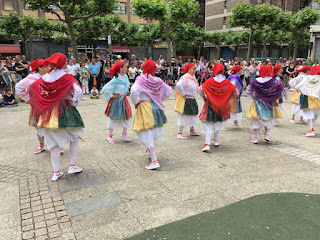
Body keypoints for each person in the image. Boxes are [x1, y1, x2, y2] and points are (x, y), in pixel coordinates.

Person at [24, 53, 84, 181]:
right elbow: (78, 91)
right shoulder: (68, 77)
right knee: (74, 138)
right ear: (62, 63)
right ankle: (72, 166)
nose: (67, 63)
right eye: (66, 61)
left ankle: (56, 173)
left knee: (53, 144)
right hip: (65, 111)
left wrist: (42, 101)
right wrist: (74, 102)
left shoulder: (45, 77)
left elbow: (31, 89)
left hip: (48, 114)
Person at [131, 60, 172, 169]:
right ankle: (150, 153)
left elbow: (134, 91)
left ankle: (154, 160)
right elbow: (169, 91)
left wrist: (136, 101)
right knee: (151, 130)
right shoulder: (158, 80)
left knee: (145, 132)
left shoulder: (140, 80)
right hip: (155, 107)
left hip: (144, 107)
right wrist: (159, 98)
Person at [15, 59, 63, 154]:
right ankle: (41, 145)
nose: (49, 68)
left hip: (50, 105)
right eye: (46, 66)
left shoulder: (50, 76)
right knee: (38, 126)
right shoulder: (31, 78)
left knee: (53, 126)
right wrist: (30, 98)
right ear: (40, 68)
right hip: (37, 106)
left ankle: (58, 145)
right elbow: (18, 87)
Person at [199, 64, 239, 152]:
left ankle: (207, 144)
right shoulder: (227, 83)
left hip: (210, 105)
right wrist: (227, 99)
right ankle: (216, 140)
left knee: (208, 124)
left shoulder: (209, 81)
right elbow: (236, 91)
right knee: (218, 122)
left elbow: (200, 89)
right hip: (222, 106)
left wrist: (204, 97)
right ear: (223, 71)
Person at [246, 65, 284, 144]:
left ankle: (256, 138)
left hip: (258, 102)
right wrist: (274, 97)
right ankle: (266, 135)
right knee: (269, 118)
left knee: (256, 119)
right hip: (270, 102)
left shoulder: (256, 81)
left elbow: (248, 90)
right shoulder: (274, 81)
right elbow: (281, 90)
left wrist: (253, 97)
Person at [101, 61, 132, 144]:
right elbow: (105, 89)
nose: (126, 68)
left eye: (126, 67)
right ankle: (110, 136)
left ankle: (124, 133)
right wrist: (112, 95)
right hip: (116, 101)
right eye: (125, 67)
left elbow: (126, 86)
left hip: (123, 99)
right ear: (120, 69)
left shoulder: (125, 76)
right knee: (113, 117)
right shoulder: (115, 79)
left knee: (127, 115)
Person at [289, 65, 320, 136]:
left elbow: (297, 86)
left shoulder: (306, 78)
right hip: (317, 98)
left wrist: (304, 90)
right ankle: (311, 128)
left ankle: (311, 129)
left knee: (309, 114)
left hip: (308, 98)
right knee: (315, 114)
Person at [175, 63, 200, 139]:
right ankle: (180, 132)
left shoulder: (193, 78)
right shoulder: (185, 77)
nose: (195, 70)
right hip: (186, 99)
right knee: (184, 115)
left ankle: (192, 130)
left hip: (192, 99)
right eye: (193, 69)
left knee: (193, 114)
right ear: (189, 70)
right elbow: (178, 85)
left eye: (195, 69)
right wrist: (183, 94)